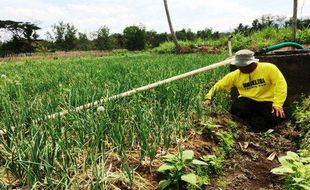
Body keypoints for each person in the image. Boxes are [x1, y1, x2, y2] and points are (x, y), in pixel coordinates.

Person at [203, 49, 287, 132]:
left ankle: (264, 127)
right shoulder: (235, 75)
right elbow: (219, 85)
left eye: (243, 66)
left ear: (252, 63)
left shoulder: (269, 68)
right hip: (248, 101)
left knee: (277, 117)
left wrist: (278, 104)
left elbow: (280, 85)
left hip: (267, 101)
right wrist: (208, 97)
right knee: (236, 109)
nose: (240, 68)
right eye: (239, 66)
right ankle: (249, 126)